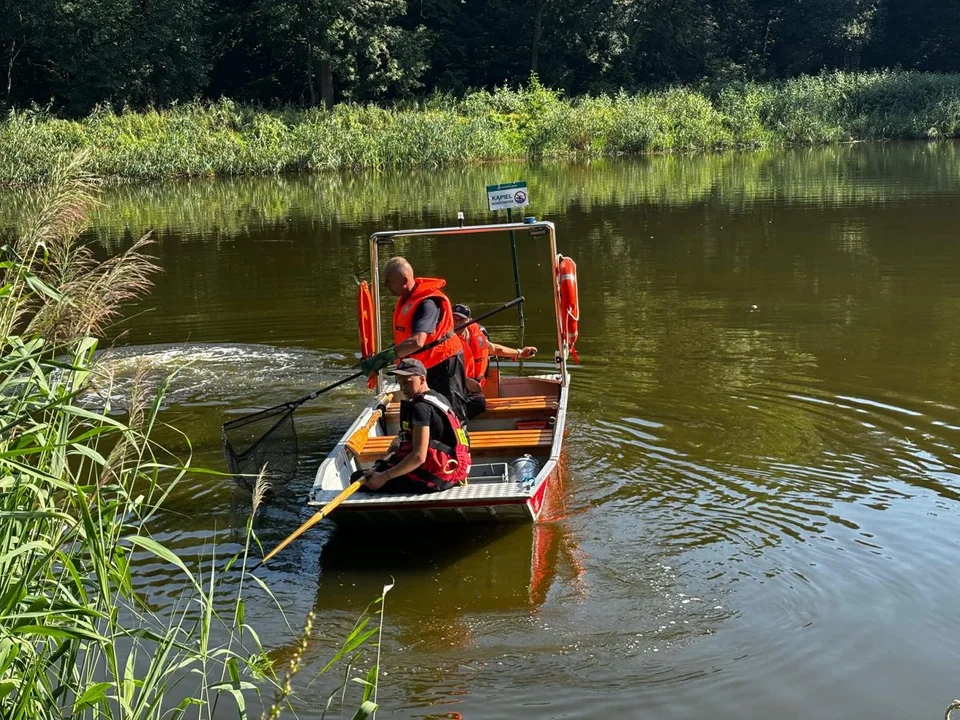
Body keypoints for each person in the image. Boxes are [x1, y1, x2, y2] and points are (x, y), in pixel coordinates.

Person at [361, 257, 468, 420]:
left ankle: (459, 442)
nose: (385, 285)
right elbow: (407, 337)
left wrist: (386, 356)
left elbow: (418, 340)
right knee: (425, 408)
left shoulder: (427, 303)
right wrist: (387, 354)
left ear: (404, 280)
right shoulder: (407, 300)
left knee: (450, 410)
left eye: (389, 281)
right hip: (425, 362)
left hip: (443, 362)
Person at [358, 359, 471, 493]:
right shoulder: (439, 398)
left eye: (407, 382)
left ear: (422, 379)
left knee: (360, 479)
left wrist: (384, 477)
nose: (402, 388)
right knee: (376, 471)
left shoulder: (420, 408)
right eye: (400, 383)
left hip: (435, 478)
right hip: (449, 469)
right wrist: (399, 441)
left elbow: (418, 456)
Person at [451, 303, 538, 419]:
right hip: (454, 385)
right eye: (454, 319)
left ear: (469, 321)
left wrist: (520, 353)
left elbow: (495, 349)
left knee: (479, 403)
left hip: (473, 387)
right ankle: (456, 423)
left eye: (461, 319)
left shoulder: (476, 335)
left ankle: (459, 420)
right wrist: (463, 380)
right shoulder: (447, 340)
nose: (457, 323)